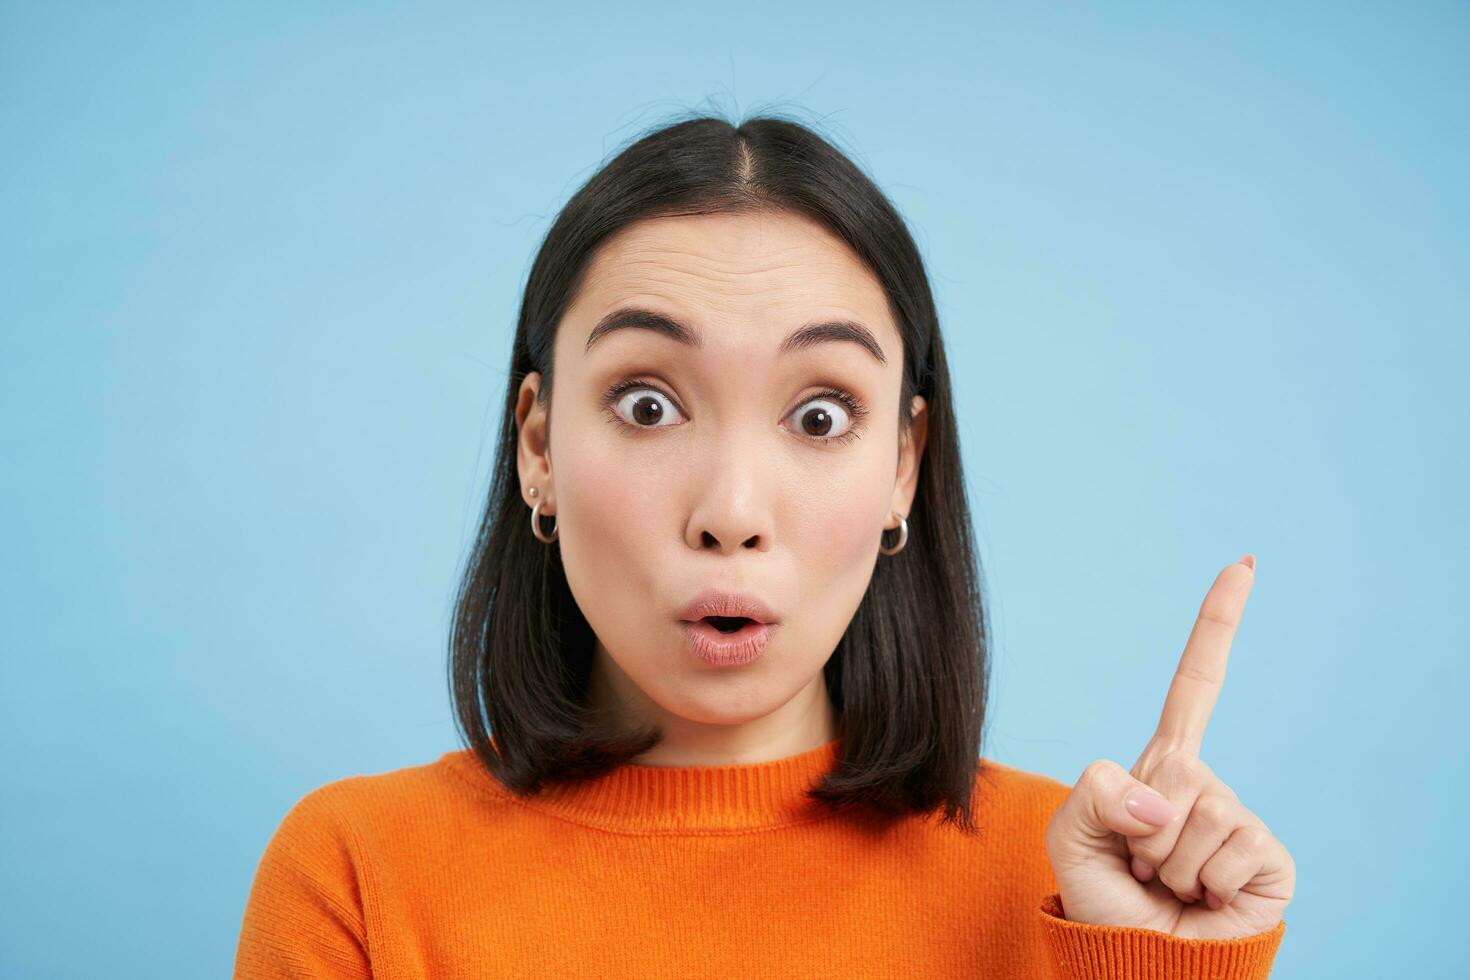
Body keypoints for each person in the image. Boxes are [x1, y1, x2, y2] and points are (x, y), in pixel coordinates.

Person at [233, 112, 1292, 978]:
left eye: (820, 416)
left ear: (904, 466)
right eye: (647, 404)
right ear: (540, 445)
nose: (731, 509)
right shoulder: (357, 874)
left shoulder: (1069, 889)